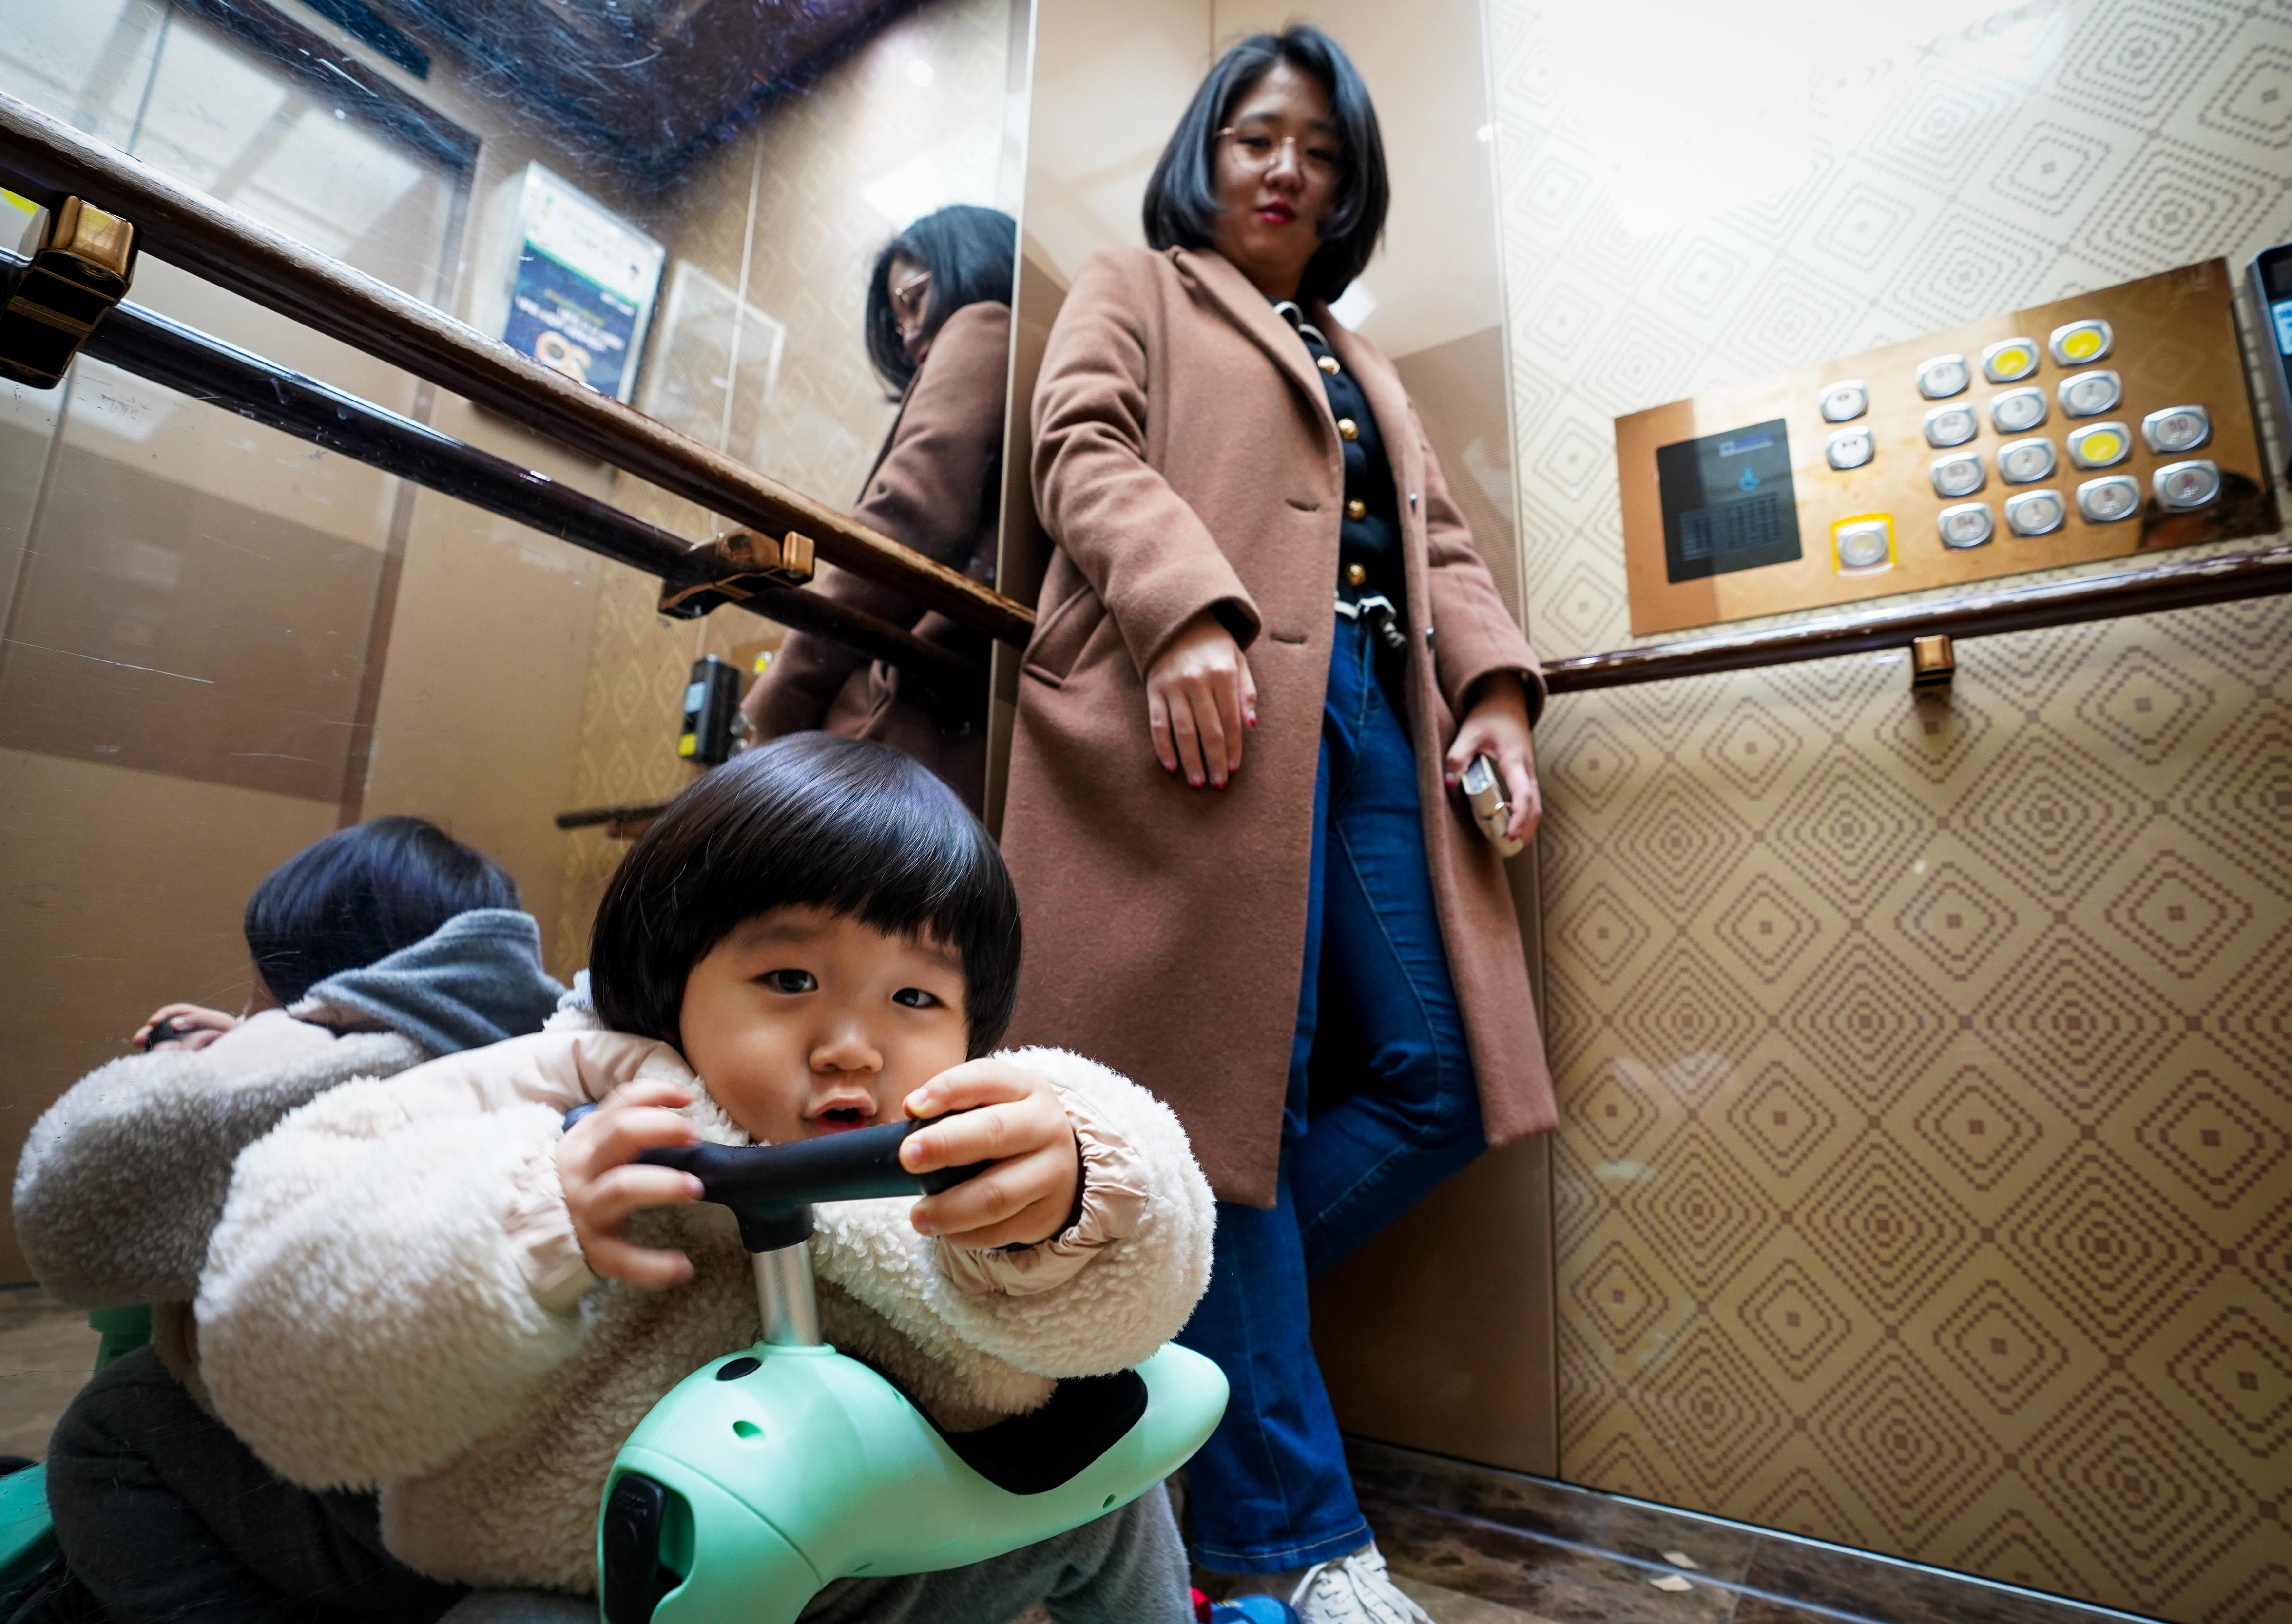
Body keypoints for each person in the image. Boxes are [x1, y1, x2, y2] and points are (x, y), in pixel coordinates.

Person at [192, 735, 1217, 1624]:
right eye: (789, 980)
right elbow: (286, 1298)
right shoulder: (565, 1099)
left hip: (890, 1569)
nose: (853, 1046)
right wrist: (525, 1217)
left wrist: (1080, 1193)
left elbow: (1125, 1304)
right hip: (608, 1577)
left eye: (914, 993)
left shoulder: (960, 1139)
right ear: (670, 979)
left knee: (1112, 1495)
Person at [999, 27, 1555, 1624]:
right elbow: (1079, 449)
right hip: (1214, 717)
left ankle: (1134, 1313)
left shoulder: (1366, 363)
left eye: (1318, 150)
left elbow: (1440, 546)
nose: (1285, 168)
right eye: (1257, 135)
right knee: (1227, 1088)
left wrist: (1499, 693)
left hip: (1380, 717)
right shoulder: (1135, 283)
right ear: (1209, 152)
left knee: (1437, 1083)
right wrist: (1183, 611)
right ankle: (1288, 1546)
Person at [13, 816, 566, 1624]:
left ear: (320, 978)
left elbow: (76, 1217)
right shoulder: (535, 1049)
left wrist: (187, 1065)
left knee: (113, 1428)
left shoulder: (344, 1074)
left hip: (392, 1513)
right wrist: (247, 1037)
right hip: (534, 1478)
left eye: (262, 990)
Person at [741, 205, 1017, 811]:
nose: (911, 334)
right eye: (898, 322)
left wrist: (778, 701)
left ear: (973, 264)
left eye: (916, 299)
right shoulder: (1028, 358)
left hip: (905, 723)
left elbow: (910, 518)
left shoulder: (984, 324)